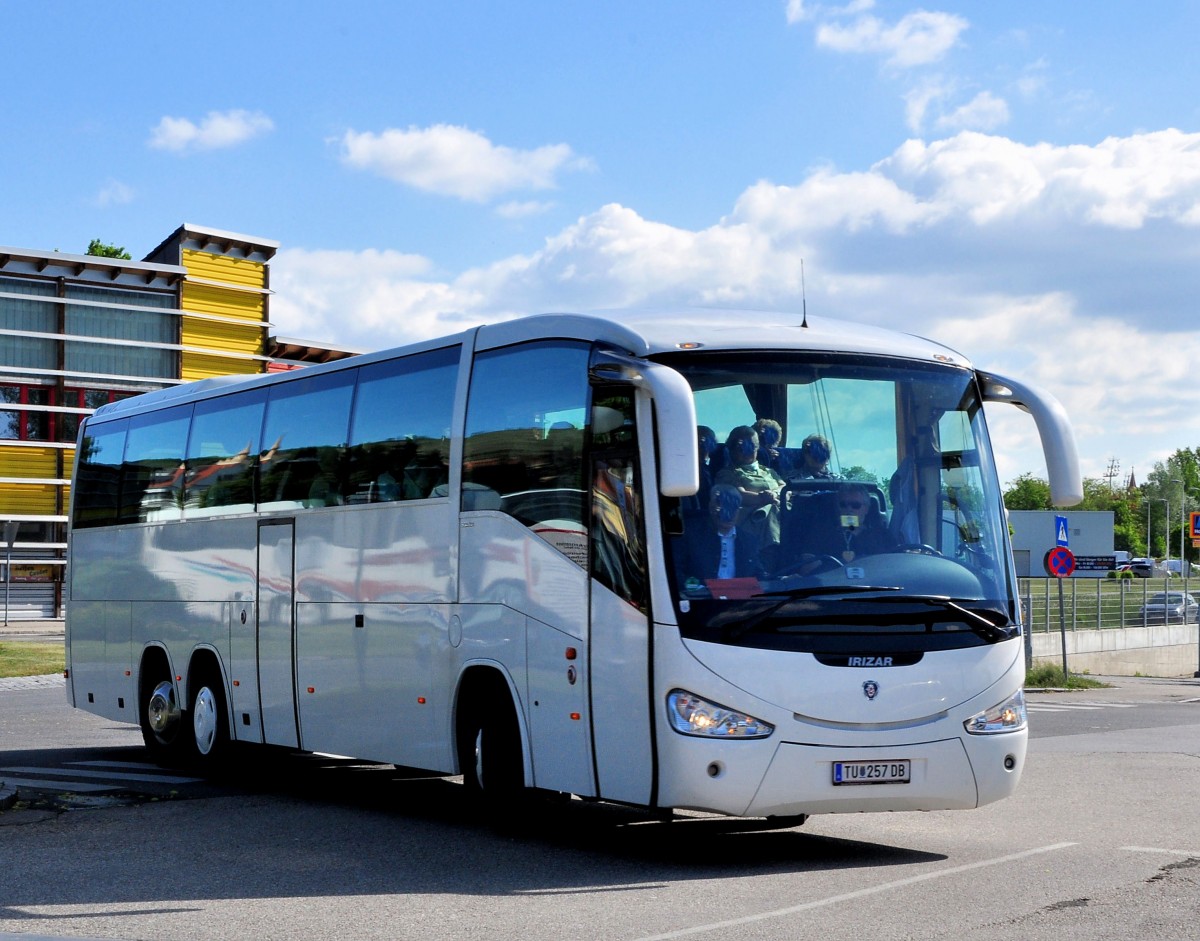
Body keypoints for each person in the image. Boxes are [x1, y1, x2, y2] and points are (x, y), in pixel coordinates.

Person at [675, 484, 766, 586]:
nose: (727, 514)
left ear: (738, 511)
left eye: (733, 508)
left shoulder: (748, 540)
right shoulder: (690, 534)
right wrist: (696, 587)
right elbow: (675, 572)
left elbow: (758, 575)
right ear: (711, 507)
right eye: (722, 507)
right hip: (700, 600)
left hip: (739, 600)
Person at [715, 425, 786, 544]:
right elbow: (740, 496)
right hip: (751, 519)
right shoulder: (727, 474)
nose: (746, 452)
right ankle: (773, 551)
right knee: (771, 509)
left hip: (781, 512)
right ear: (732, 450)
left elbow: (786, 488)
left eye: (750, 447)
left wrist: (774, 494)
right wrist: (763, 498)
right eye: (741, 447)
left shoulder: (769, 471)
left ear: (757, 448)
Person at [835, 483, 895, 561]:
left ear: (866, 509)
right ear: (838, 508)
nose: (849, 509)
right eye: (843, 505)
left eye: (855, 505)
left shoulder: (883, 536)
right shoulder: (826, 536)